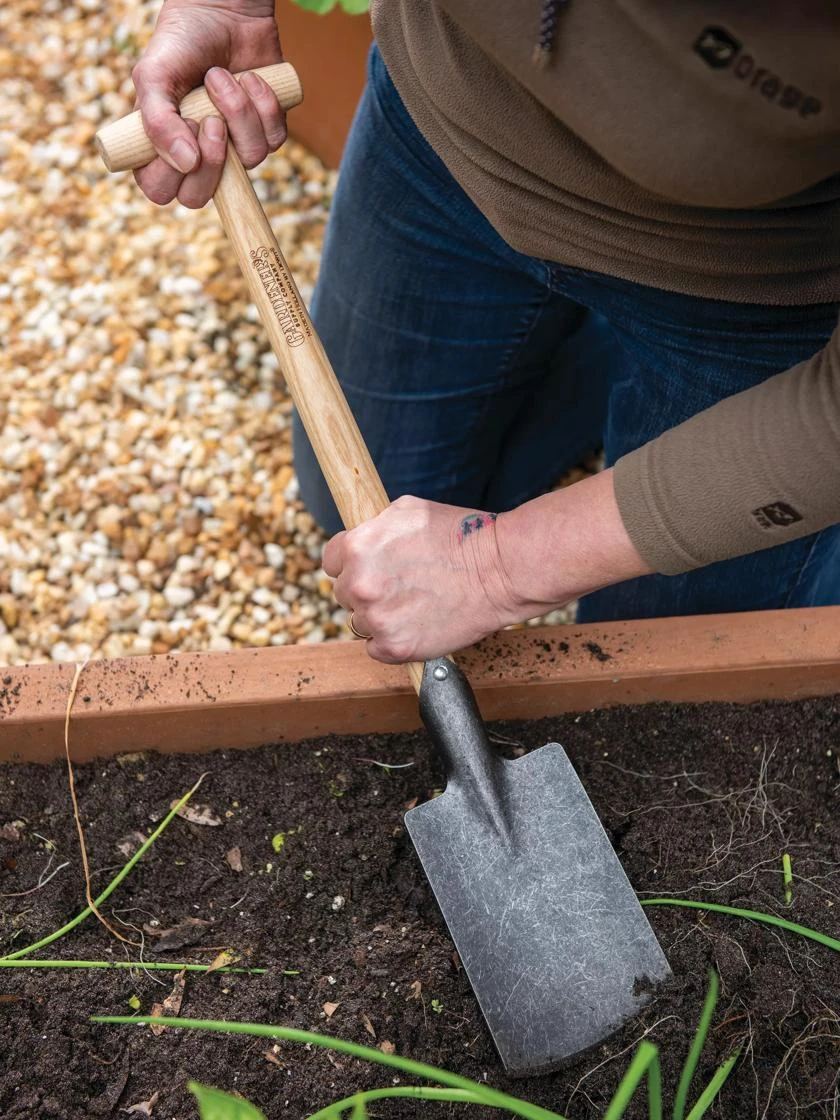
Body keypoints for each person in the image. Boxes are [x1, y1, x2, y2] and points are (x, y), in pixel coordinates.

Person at [133, 0, 840, 665]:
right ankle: (610, 358)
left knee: (660, 675)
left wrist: (495, 566)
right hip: (444, 149)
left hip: (746, 281)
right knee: (361, 516)